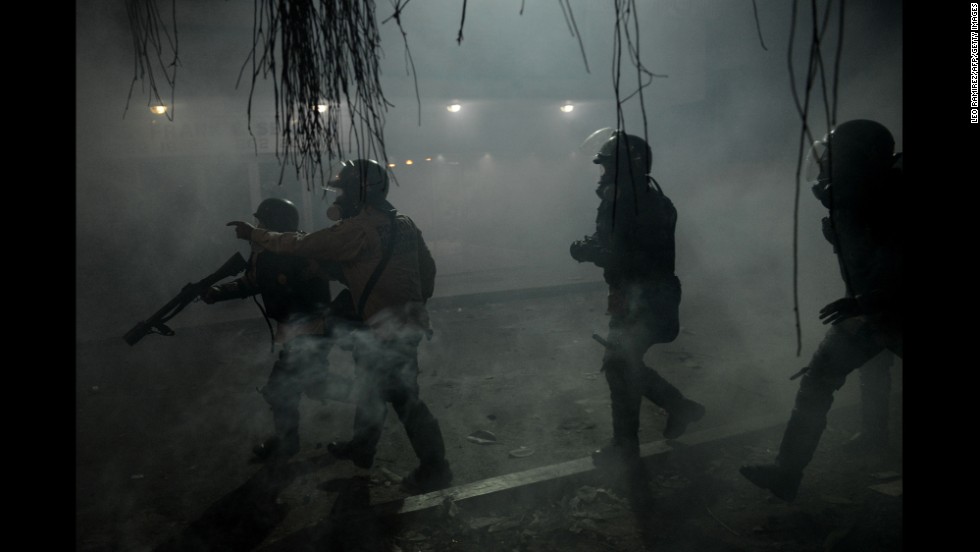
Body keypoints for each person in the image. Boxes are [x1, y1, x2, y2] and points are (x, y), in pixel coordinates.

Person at [228, 159, 452, 494]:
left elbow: (300, 244)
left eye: (344, 191)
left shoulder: (356, 230)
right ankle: (362, 447)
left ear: (360, 193)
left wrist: (255, 233)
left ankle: (436, 469)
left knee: (405, 400)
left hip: (384, 330)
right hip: (404, 324)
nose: (340, 199)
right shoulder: (404, 223)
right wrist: (412, 307)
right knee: (373, 387)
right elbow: (426, 269)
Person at [740, 119, 903, 501]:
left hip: (887, 310)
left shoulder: (893, 203)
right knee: (819, 379)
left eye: (834, 154)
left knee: (825, 378)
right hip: (870, 313)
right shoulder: (857, 196)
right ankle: (787, 471)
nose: (825, 161)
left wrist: (864, 301)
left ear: (856, 160)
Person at [570, 129, 706, 470]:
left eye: (606, 169)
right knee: (622, 365)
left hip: (643, 300)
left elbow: (626, 256)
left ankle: (628, 445)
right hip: (646, 297)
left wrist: (589, 252)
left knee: (618, 366)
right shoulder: (648, 200)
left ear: (622, 171)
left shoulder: (630, 205)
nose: (601, 176)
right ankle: (673, 411)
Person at [201, 197, 351, 462]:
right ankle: (371, 396)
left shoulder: (300, 250)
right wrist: (218, 292)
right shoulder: (266, 254)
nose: (258, 227)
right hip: (294, 330)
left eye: (262, 223)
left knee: (280, 389)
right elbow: (252, 282)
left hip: (311, 331)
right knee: (316, 386)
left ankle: (287, 443)